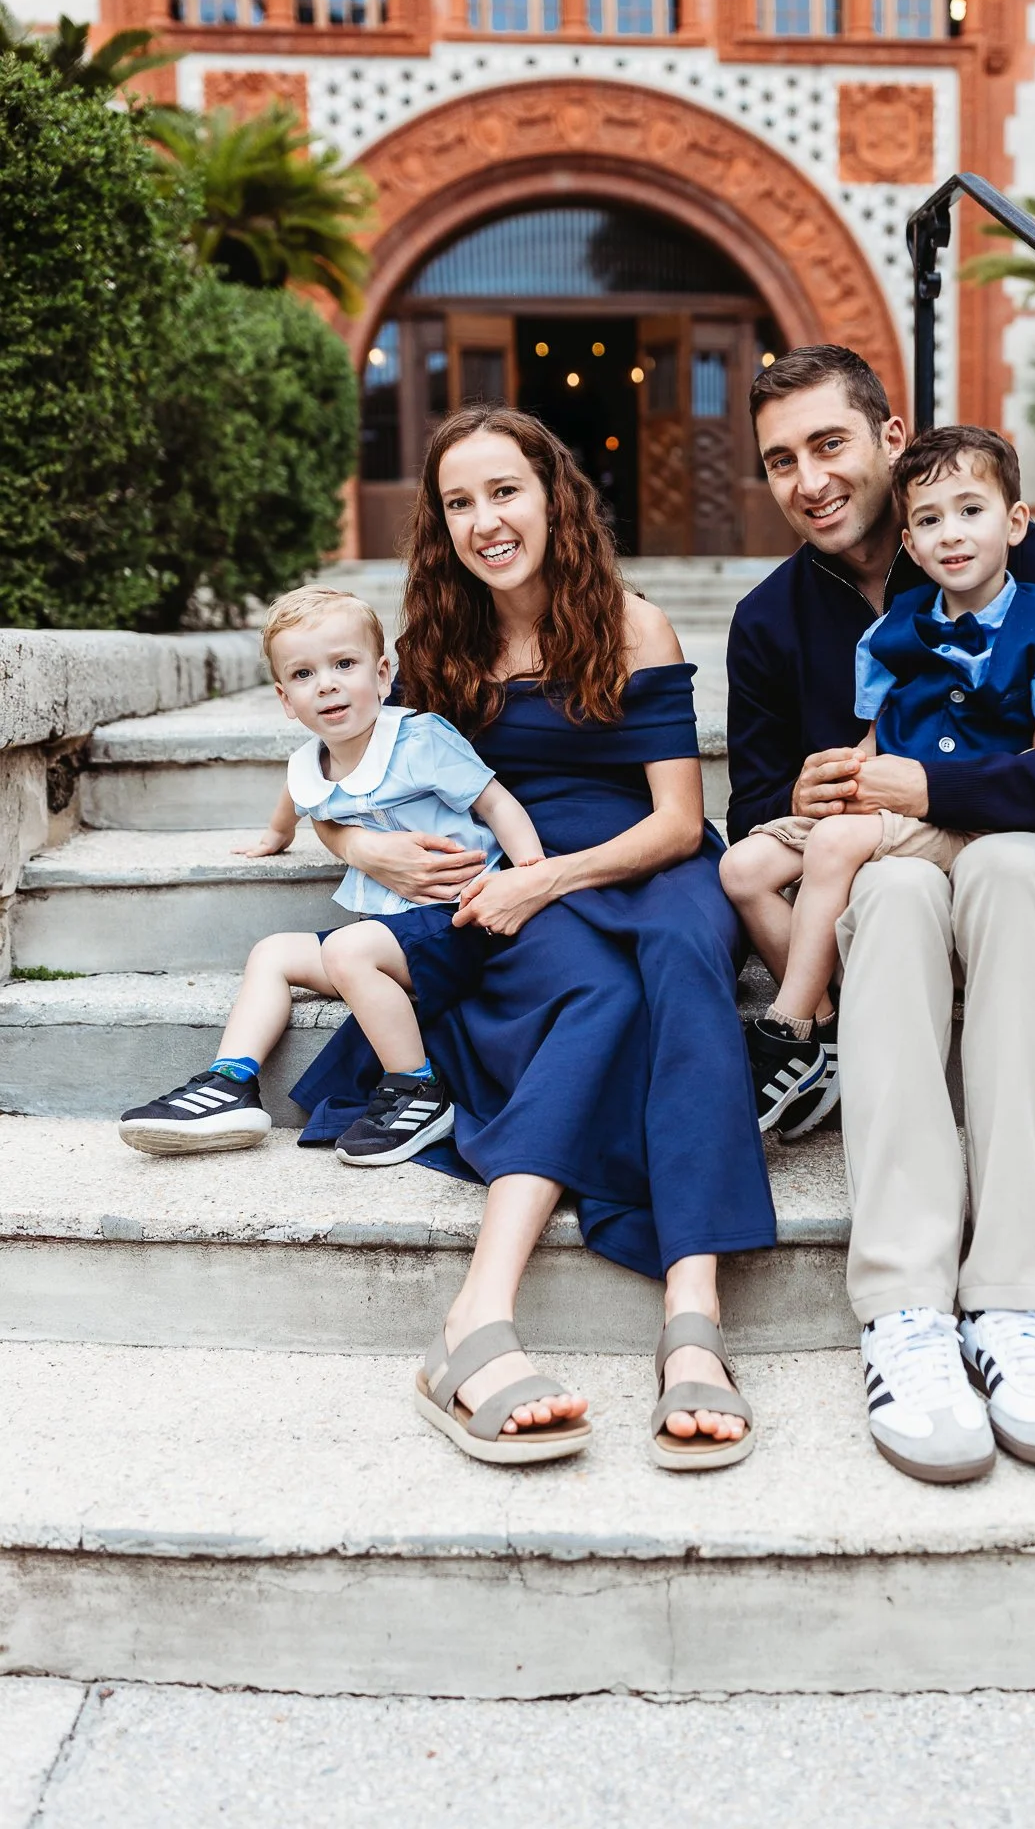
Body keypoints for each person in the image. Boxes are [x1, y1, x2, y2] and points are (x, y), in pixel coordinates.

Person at [293, 405, 775, 1471]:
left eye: (504, 491)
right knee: (602, 995)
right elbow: (344, 775)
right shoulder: (433, 643)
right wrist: (365, 850)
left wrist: (545, 877)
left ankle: (692, 1315)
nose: (485, 521)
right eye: (459, 502)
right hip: (510, 872)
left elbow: (678, 823)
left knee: (681, 961)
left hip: (639, 861)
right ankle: (477, 1315)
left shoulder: (634, 625)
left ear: (554, 496)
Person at [726, 344, 1035, 1486]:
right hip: (880, 866)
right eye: (780, 460)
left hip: (1008, 843)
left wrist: (935, 789)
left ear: (888, 436)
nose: (808, 479)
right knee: (897, 895)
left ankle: (1016, 1304)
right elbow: (750, 812)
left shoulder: (1002, 542)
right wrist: (804, 792)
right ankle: (904, 1309)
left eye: (827, 444)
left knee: (1004, 873)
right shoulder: (766, 619)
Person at [722, 424, 1035, 1135]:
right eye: (929, 521)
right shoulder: (891, 630)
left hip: (979, 820)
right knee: (742, 869)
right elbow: (871, 739)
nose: (951, 533)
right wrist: (831, 788)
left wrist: (936, 794)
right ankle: (827, 1034)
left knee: (835, 847)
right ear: (910, 545)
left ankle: (785, 1028)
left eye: (971, 511)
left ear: (1014, 523)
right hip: (892, 812)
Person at [118, 586, 545, 1166]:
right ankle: (230, 1082)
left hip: (460, 919)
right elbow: (296, 797)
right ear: (285, 698)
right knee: (272, 953)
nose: (326, 684)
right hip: (391, 938)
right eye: (303, 674)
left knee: (348, 950)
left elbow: (497, 803)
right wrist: (276, 836)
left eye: (344, 664)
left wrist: (529, 876)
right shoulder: (309, 761)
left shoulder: (420, 740)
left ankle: (418, 1089)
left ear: (383, 673)